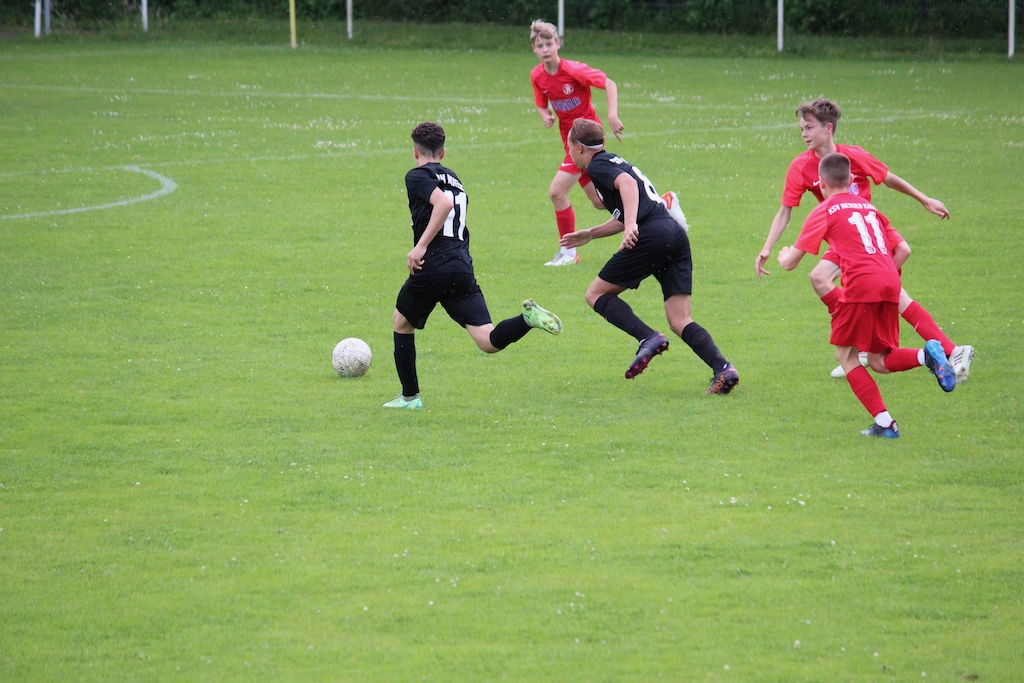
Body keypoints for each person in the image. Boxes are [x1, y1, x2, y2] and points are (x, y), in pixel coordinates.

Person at [755, 98, 974, 382]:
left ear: (828, 129)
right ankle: (887, 345)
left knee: (884, 288)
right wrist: (766, 248)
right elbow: (785, 210)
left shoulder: (853, 155)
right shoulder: (800, 166)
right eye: (802, 129)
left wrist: (924, 199)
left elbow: (889, 178)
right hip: (845, 238)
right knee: (826, 279)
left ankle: (946, 349)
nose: (804, 134)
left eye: (809, 128)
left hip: (871, 232)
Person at [385, 122, 563, 410]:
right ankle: (527, 320)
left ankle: (410, 398)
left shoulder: (416, 175)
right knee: (487, 340)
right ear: (443, 152)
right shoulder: (454, 178)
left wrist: (420, 246)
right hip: (461, 266)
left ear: (415, 152)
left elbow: (443, 205)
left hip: (433, 264)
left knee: (401, 323)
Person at [777, 153, 956, 438]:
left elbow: (790, 264)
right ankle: (927, 356)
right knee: (878, 360)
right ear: (851, 180)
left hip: (861, 287)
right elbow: (902, 249)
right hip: (890, 283)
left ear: (821, 183)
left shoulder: (824, 210)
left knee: (846, 355)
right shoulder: (870, 209)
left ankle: (885, 424)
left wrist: (784, 254)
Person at [559, 118, 738, 394]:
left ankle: (648, 337)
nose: (569, 152)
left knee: (595, 294)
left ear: (579, 148)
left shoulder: (597, 165)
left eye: (569, 146)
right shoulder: (613, 160)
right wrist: (592, 234)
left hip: (652, 235)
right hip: (673, 233)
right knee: (680, 319)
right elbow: (631, 208)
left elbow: (628, 185)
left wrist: (631, 224)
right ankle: (723, 369)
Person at [528, 20, 689, 266]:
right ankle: (661, 203)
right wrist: (545, 115)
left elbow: (608, 84)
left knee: (557, 191)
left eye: (549, 44)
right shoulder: (537, 76)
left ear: (558, 44)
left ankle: (569, 254)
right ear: (534, 49)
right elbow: (541, 103)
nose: (545, 49)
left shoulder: (574, 70)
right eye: (540, 46)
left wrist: (612, 115)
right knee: (599, 202)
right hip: (571, 144)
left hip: (586, 141)